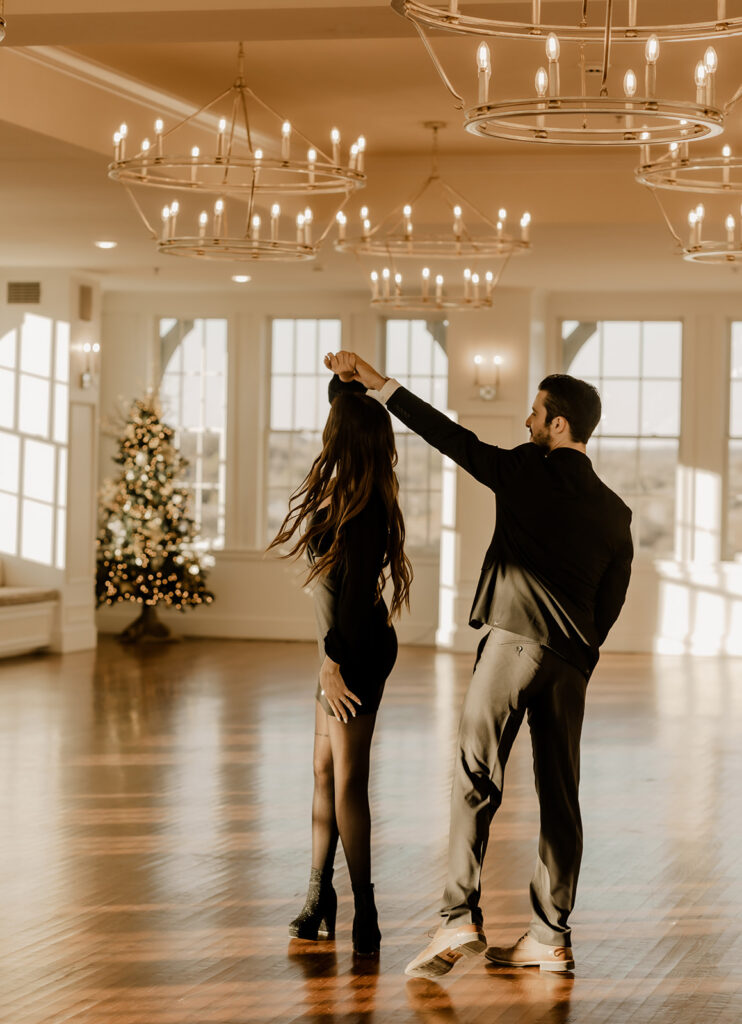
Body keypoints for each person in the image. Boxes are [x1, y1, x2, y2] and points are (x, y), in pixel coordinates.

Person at [324, 350, 633, 979]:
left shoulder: (527, 470)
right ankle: (551, 935)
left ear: (557, 425)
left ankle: (457, 917)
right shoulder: (615, 511)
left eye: (535, 411)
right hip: (571, 663)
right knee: (561, 796)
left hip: (512, 645)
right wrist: (578, 653)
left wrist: (381, 385)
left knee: (475, 777)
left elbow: (451, 438)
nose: (525, 419)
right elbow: (611, 600)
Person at [268, 373, 412, 957]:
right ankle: (317, 895)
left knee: (348, 780)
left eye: (332, 424)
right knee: (323, 772)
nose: (324, 429)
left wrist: (332, 663)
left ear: (343, 437)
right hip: (335, 646)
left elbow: (352, 604)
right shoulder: (347, 489)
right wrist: (347, 378)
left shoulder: (366, 508)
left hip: (353, 649)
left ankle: (366, 910)